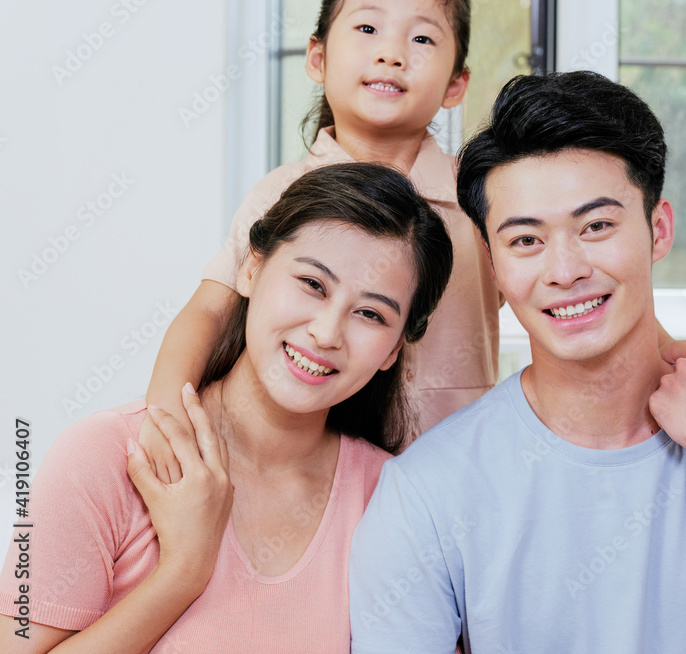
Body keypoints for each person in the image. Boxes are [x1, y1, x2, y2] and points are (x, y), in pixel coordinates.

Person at [348, 72, 686, 653]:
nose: (565, 270)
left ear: (658, 230)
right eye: (526, 241)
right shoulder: (427, 490)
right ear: (492, 263)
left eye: (597, 226)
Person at [0, 163, 453, 653]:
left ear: (393, 350)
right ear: (251, 267)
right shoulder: (101, 457)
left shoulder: (394, 502)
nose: (326, 332)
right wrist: (182, 573)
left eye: (370, 313)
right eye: (312, 284)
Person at [139, 0, 498, 481]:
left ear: (455, 85)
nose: (392, 53)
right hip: (324, 485)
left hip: (463, 482)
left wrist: (669, 354)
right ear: (318, 57)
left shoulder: (481, 197)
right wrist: (164, 419)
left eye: (422, 37)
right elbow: (209, 312)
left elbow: (561, 280)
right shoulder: (284, 194)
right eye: (367, 29)